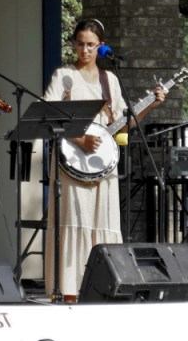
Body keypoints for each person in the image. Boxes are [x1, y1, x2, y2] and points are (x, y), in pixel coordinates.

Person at [43, 18, 166, 303]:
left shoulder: (109, 80)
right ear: (74, 44)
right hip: (70, 164)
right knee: (73, 220)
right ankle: (69, 290)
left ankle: (104, 287)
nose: (84, 50)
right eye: (80, 44)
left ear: (101, 46)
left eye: (90, 45)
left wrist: (152, 104)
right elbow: (49, 116)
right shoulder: (64, 76)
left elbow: (124, 126)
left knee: (102, 222)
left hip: (103, 166)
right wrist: (79, 139)